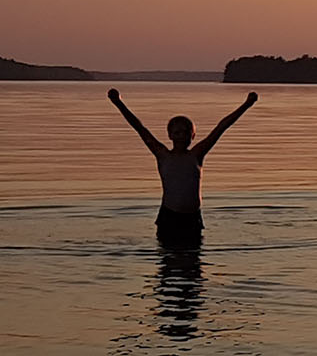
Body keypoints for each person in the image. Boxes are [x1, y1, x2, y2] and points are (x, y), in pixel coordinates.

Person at [108, 88, 258, 244]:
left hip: (192, 218)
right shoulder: (163, 155)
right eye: (177, 132)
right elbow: (140, 128)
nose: (181, 136)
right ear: (170, 135)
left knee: (193, 263)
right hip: (169, 217)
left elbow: (221, 128)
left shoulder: (196, 155)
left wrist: (247, 104)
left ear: (192, 136)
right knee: (168, 261)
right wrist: (118, 102)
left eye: (185, 132)